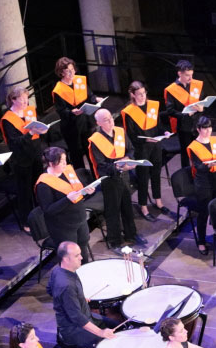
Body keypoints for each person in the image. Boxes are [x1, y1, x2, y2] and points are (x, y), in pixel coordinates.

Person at [46, 240, 116, 348]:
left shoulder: (57, 270)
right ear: (66, 259)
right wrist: (100, 332)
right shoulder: (67, 285)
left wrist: (77, 298)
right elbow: (77, 317)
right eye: (77, 255)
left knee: (116, 325)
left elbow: (50, 290)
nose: (81, 257)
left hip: (85, 316)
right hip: (74, 329)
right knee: (108, 345)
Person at [85, 107, 141, 245]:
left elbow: (131, 149)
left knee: (127, 206)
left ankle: (130, 234)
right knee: (113, 210)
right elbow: (101, 165)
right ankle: (114, 240)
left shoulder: (120, 132)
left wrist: (129, 158)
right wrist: (118, 166)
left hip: (125, 175)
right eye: (106, 120)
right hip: (109, 180)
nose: (110, 121)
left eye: (110, 117)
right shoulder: (95, 141)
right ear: (99, 123)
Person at [0, 85, 47, 231]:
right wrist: (30, 133)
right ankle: (27, 221)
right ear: (13, 100)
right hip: (21, 159)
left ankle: (41, 214)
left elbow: (38, 130)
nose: (26, 102)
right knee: (25, 191)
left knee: (38, 187)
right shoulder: (8, 119)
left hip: (35, 154)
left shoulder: (30, 111)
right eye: (22, 100)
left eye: (27, 99)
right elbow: (14, 143)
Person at [116, 82, 167, 221]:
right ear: (132, 95)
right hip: (141, 148)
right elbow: (131, 136)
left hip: (156, 145)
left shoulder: (152, 105)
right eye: (139, 94)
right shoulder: (129, 112)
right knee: (143, 177)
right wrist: (146, 140)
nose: (143, 97)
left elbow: (159, 125)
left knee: (156, 173)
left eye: (144, 93)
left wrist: (164, 132)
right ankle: (143, 206)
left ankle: (158, 201)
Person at [33, 144, 93, 256]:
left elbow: (77, 192)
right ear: (51, 163)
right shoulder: (44, 184)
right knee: (70, 257)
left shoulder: (67, 171)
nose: (65, 163)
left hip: (80, 219)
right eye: (61, 162)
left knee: (82, 252)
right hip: (63, 227)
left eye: (65, 160)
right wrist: (67, 199)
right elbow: (48, 210)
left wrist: (86, 192)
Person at [184, 116, 216, 254]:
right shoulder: (193, 147)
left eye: (209, 127)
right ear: (198, 129)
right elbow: (198, 167)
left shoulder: (215, 140)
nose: (208, 130)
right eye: (205, 128)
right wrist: (210, 164)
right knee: (204, 213)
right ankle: (201, 241)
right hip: (203, 183)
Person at [50, 56, 95, 160]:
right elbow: (61, 110)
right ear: (61, 73)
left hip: (85, 122)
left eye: (72, 69)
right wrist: (71, 112)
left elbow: (90, 95)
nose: (72, 73)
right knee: (77, 154)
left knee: (90, 151)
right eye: (68, 71)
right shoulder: (58, 90)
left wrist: (95, 99)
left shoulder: (79, 80)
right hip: (72, 126)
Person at [163, 59, 208, 156]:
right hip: (184, 127)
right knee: (186, 155)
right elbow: (170, 111)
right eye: (187, 75)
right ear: (180, 74)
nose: (190, 78)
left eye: (192, 75)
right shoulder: (171, 90)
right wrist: (184, 114)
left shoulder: (197, 84)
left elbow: (203, 102)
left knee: (200, 153)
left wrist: (202, 108)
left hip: (198, 124)